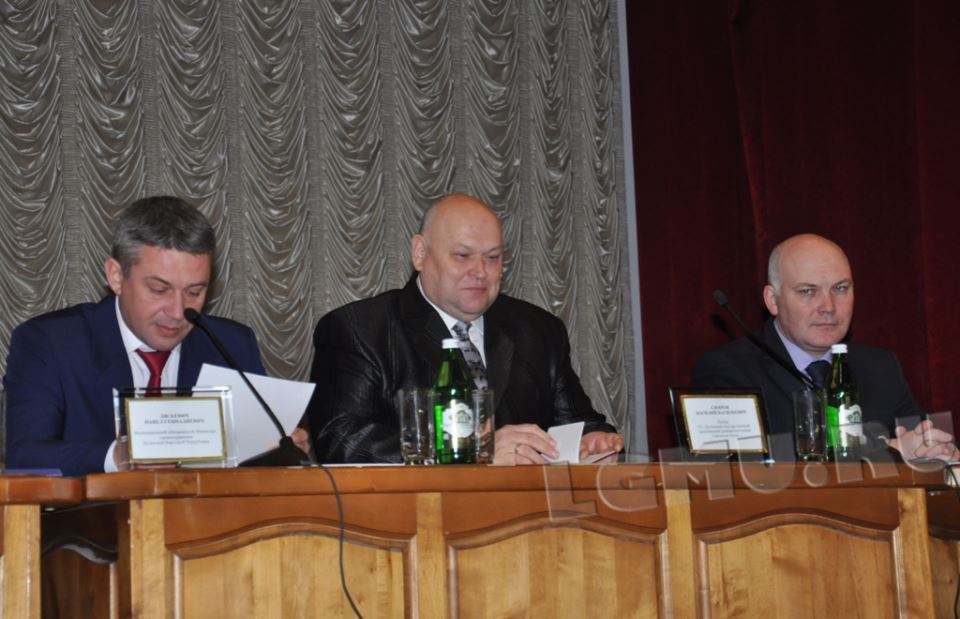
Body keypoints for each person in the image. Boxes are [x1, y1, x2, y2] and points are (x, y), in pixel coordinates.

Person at [308, 193, 624, 464]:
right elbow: (340, 440)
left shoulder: (538, 330)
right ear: (420, 253)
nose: (480, 271)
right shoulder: (359, 330)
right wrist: (475, 450)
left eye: (493, 257)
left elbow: (575, 422)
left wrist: (593, 440)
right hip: (414, 512)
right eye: (462, 256)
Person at [3, 196, 309, 476]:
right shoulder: (51, 342)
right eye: (159, 290)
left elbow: (252, 463)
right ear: (116, 276)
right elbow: (25, 455)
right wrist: (116, 457)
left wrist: (280, 451)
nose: (177, 312)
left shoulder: (231, 345)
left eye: (194, 292)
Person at [692, 233, 958, 462]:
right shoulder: (728, 370)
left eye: (840, 288)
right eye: (808, 291)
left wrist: (935, 450)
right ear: (773, 300)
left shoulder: (881, 367)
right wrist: (887, 450)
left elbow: (918, 442)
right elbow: (740, 470)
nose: (829, 307)